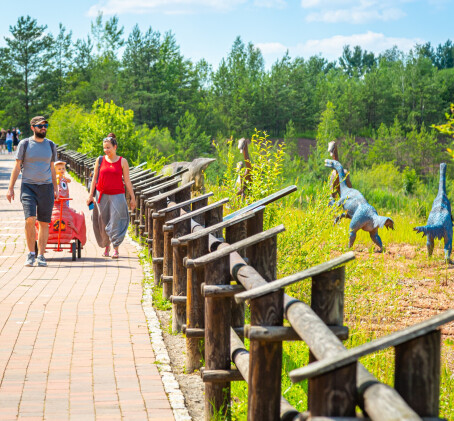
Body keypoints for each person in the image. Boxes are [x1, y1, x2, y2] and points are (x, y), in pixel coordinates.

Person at [6, 116, 58, 267]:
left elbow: (53, 168)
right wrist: (10, 188)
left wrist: (55, 188)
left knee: (44, 222)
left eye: (45, 125)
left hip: (46, 187)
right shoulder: (25, 143)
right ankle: (31, 253)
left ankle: (41, 255)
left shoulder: (51, 145)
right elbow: (17, 167)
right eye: (40, 125)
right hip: (28, 186)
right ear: (32, 127)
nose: (44, 128)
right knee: (30, 219)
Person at [86, 133, 136, 258]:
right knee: (103, 221)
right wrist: (90, 195)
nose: (106, 150)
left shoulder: (122, 161)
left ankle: (116, 248)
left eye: (108, 147)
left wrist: (133, 198)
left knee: (116, 221)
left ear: (115, 147)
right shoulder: (100, 160)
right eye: (104, 148)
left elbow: (127, 181)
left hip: (117, 195)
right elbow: (94, 179)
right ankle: (106, 247)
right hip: (101, 195)